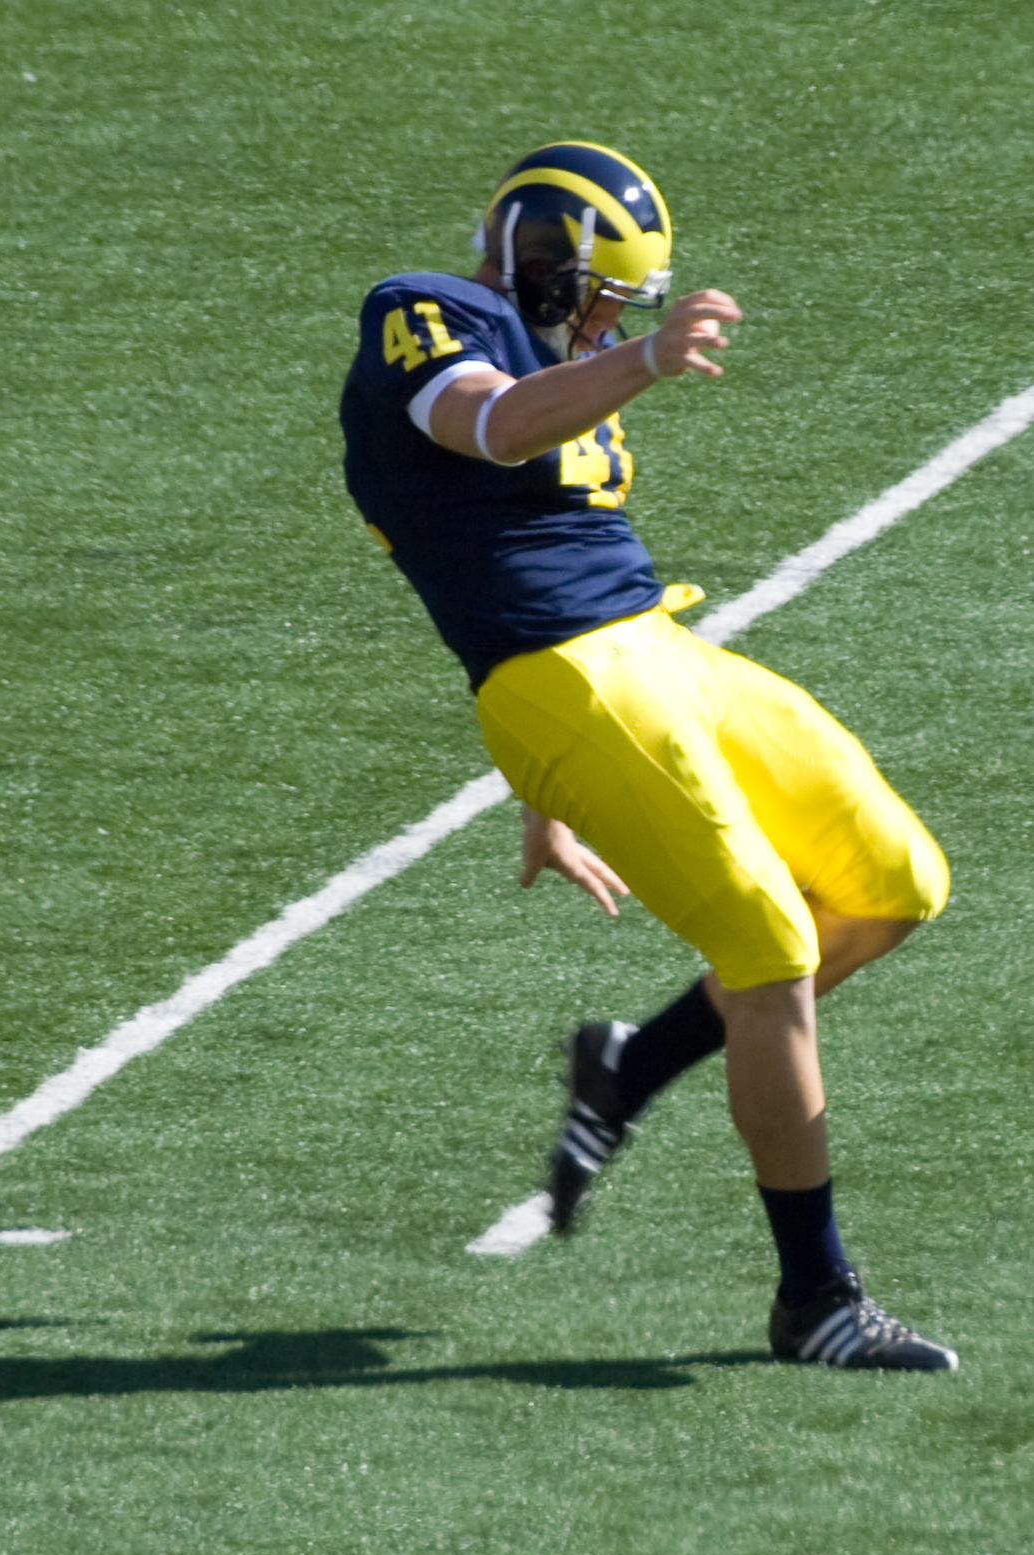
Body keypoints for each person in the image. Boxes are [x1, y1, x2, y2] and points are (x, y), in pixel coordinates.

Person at [338, 142, 956, 1372]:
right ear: (544, 264)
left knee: (895, 886)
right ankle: (815, 1297)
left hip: (652, 653)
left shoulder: (565, 356)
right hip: (568, 679)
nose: (614, 318)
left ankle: (629, 1064)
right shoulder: (426, 310)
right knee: (770, 945)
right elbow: (497, 428)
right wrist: (642, 361)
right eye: (606, 295)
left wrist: (547, 789)